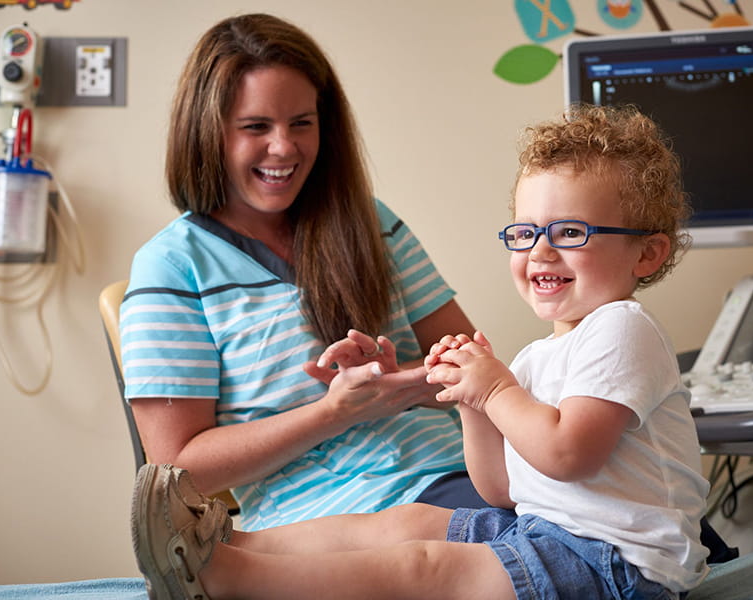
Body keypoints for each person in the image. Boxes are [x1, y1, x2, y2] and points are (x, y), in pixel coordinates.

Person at [130, 103, 712, 600]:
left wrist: (495, 389)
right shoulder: (539, 357)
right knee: (408, 523)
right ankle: (224, 545)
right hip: (549, 531)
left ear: (646, 255)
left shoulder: (622, 329)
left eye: (570, 233)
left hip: (618, 570)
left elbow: (566, 457)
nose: (540, 251)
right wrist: (470, 404)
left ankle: (225, 580)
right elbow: (504, 490)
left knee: (426, 566)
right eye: (525, 232)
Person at [119, 12, 485, 532]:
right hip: (329, 517)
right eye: (255, 127)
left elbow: (479, 369)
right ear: (207, 134)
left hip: (466, 476)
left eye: (301, 123)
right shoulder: (173, 267)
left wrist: (407, 379)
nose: (284, 147)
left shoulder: (372, 224)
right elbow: (179, 467)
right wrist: (333, 411)